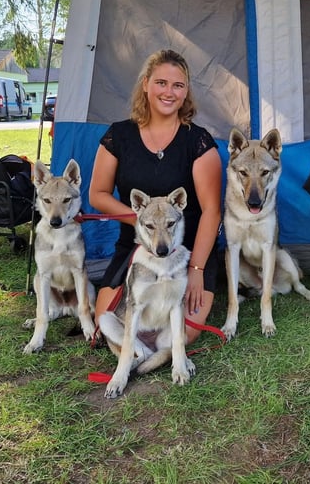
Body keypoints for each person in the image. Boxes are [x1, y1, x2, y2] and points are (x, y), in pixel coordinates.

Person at [88, 49, 223, 345]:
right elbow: (97, 194)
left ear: (186, 93)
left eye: (178, 85)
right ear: (146, 84)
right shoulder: (118, 135)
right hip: (137, 249)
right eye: (161, 83)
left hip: (185, 250)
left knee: (178, 337)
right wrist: (140, 222)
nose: (169, 92)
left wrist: (196, 269)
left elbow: (212, 211)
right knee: (107, 326)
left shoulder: (198, 141)